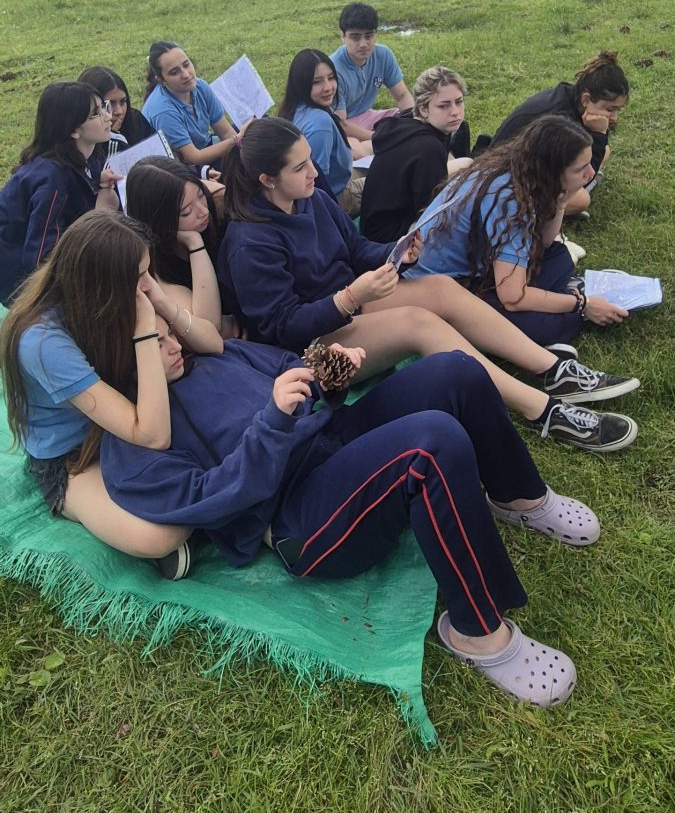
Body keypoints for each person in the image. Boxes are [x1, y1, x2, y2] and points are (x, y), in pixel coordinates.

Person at [100, 314, 602, 707]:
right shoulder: (132, 448)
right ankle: (478, 632)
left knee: (456, 371)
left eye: (170, 333)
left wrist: (330, 371)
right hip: (300, 517)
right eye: (156, 343)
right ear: (124, 359)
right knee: (431, 445)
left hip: (330, 443)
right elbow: (212, 501)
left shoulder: (212, 356)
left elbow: (292, 373)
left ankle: (519, 497)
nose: (174, 345)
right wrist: (272, 421)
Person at [217, 118, 639, 453]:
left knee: (440, 288)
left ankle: (554, 371)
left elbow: (355, 248)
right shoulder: (250, 242)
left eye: (310, 159)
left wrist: (398, 252)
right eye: (300, 167)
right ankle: (544, 411)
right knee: (420, 324)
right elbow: (282, 328)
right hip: (309, 358)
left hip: (347, 309)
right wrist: (350, 297)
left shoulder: (311, 198)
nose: (314, 172)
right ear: (267, 180)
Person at [0, 212, 191, 566]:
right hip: (72, 456)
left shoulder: (105, 302)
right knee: (157, 536)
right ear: (104, 285)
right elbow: (152, 435)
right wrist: (145, 330)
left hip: (119, 422)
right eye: (140, 277)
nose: (150, 287)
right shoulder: (42, 342)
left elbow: (211, 337)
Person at [404, 116, 631, 348]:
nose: (591, 174)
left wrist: (561, 203)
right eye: (580, 169)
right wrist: (582, 305)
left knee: (558, 256)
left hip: (479, 269)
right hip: (441, 290)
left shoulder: (514, 172)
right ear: (552, 170)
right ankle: (567, 297)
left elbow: (544, 244)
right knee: (552, 327)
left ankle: (561, 294)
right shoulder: (509, 201)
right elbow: (513, 297)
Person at [0, 81, 120, 306]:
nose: (108, 116)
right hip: (23, 287)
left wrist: (96, 182)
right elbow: (40, 256)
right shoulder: (51, 180)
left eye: (104, 107)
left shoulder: (89, 157)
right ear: (73, 130)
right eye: (96, 113)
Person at [492, 51, 629, 216]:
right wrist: (599, 133)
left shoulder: (569, 96)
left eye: (618, 110)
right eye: (610, 109)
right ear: (586, 99)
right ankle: (541, 213)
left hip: (528, 166)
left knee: (604, 151)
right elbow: (584, 174)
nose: (614, 117)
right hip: (502, 181)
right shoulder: (562, 123)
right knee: (581, 199)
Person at [125, 157, 230, 349]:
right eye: (186, 212)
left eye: (201, 195)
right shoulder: (153, 262)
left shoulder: (218, 201)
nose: (203, 211)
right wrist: (195, 245)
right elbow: (208, 327)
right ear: (159, 220)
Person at [360, 65, 473, 243]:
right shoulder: (427, 147)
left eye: (458, 102)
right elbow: (430, 213)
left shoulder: (406, 121)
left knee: (468, 164)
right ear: (423, 109)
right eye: (444, 106)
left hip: (374, 224)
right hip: (389, 237)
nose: (455, 112)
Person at [278, 49, 366, 216]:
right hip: (336, 197)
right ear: (301, 84)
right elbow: (317, 184)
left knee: (377, 165)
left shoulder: (294, 109)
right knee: (390, 180)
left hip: (338, 178)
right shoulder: (320, 123)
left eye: (331, 78)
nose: (328, 87)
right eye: (317, 82)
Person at [142, 41, 237, 167]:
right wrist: (237, 140)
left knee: (255, 134)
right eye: (174, 72)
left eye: (186, 65)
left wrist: (240, 144)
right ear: (161, 79)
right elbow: (193, 158)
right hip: (182, 168)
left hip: (205, 148)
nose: (186, 75)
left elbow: (226, 132)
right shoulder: (162, 111)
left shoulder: (200, 86)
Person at [330, 2, 413, 140]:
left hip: (367, 117)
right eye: (355, 37)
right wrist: (379, 138)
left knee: (416, 118)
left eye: (368, 36)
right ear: (343, 37)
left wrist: (412, 124)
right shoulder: (333, 69)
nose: (363, 44)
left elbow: (403, 95)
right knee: (357, 147)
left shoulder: (383, 55)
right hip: (343, 127)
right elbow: (340, 124)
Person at [78, 65, 156, 158]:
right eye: (109, 104)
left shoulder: (136, 120)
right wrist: (112, 138)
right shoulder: (86, 141)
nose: (119, 111)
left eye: (123, 102)